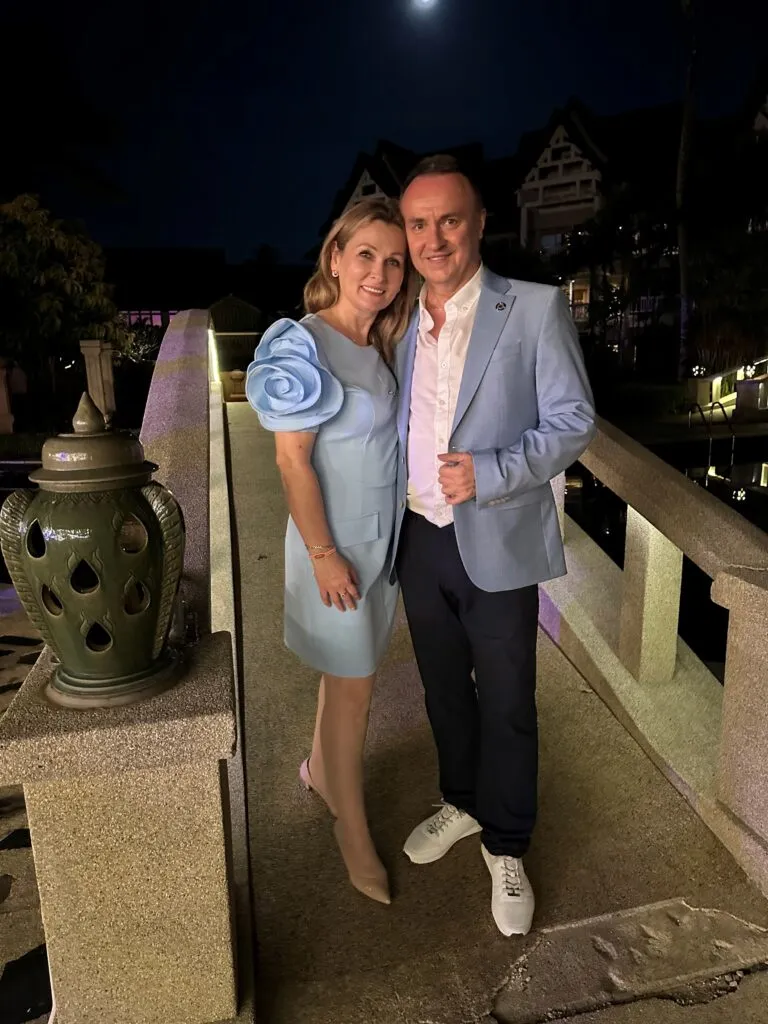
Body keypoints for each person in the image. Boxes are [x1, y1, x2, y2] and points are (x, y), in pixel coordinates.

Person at [392, 155, 596, 936]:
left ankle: (507, 844)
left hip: (498, 534)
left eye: (449, 220)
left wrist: (494, 471)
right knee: (444, 689)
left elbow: (573, 421)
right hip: (417, 535)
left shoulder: (534, 310)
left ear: (480, 222)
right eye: (419, 224)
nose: (433, 238)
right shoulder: (398, 319)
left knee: (508, 699)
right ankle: (463, 802)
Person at [246, 197, 417, 905]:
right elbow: (292, 463)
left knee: (348, 677)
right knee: (354, 690)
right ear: (336, 257)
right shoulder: (304, 343)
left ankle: (320, 771)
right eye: (367, 254)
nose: (380, 272)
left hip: (381, 541)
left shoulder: (378, 339)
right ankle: (352, 829)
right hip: (335, 544)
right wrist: (322, 553)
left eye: (394, 261)